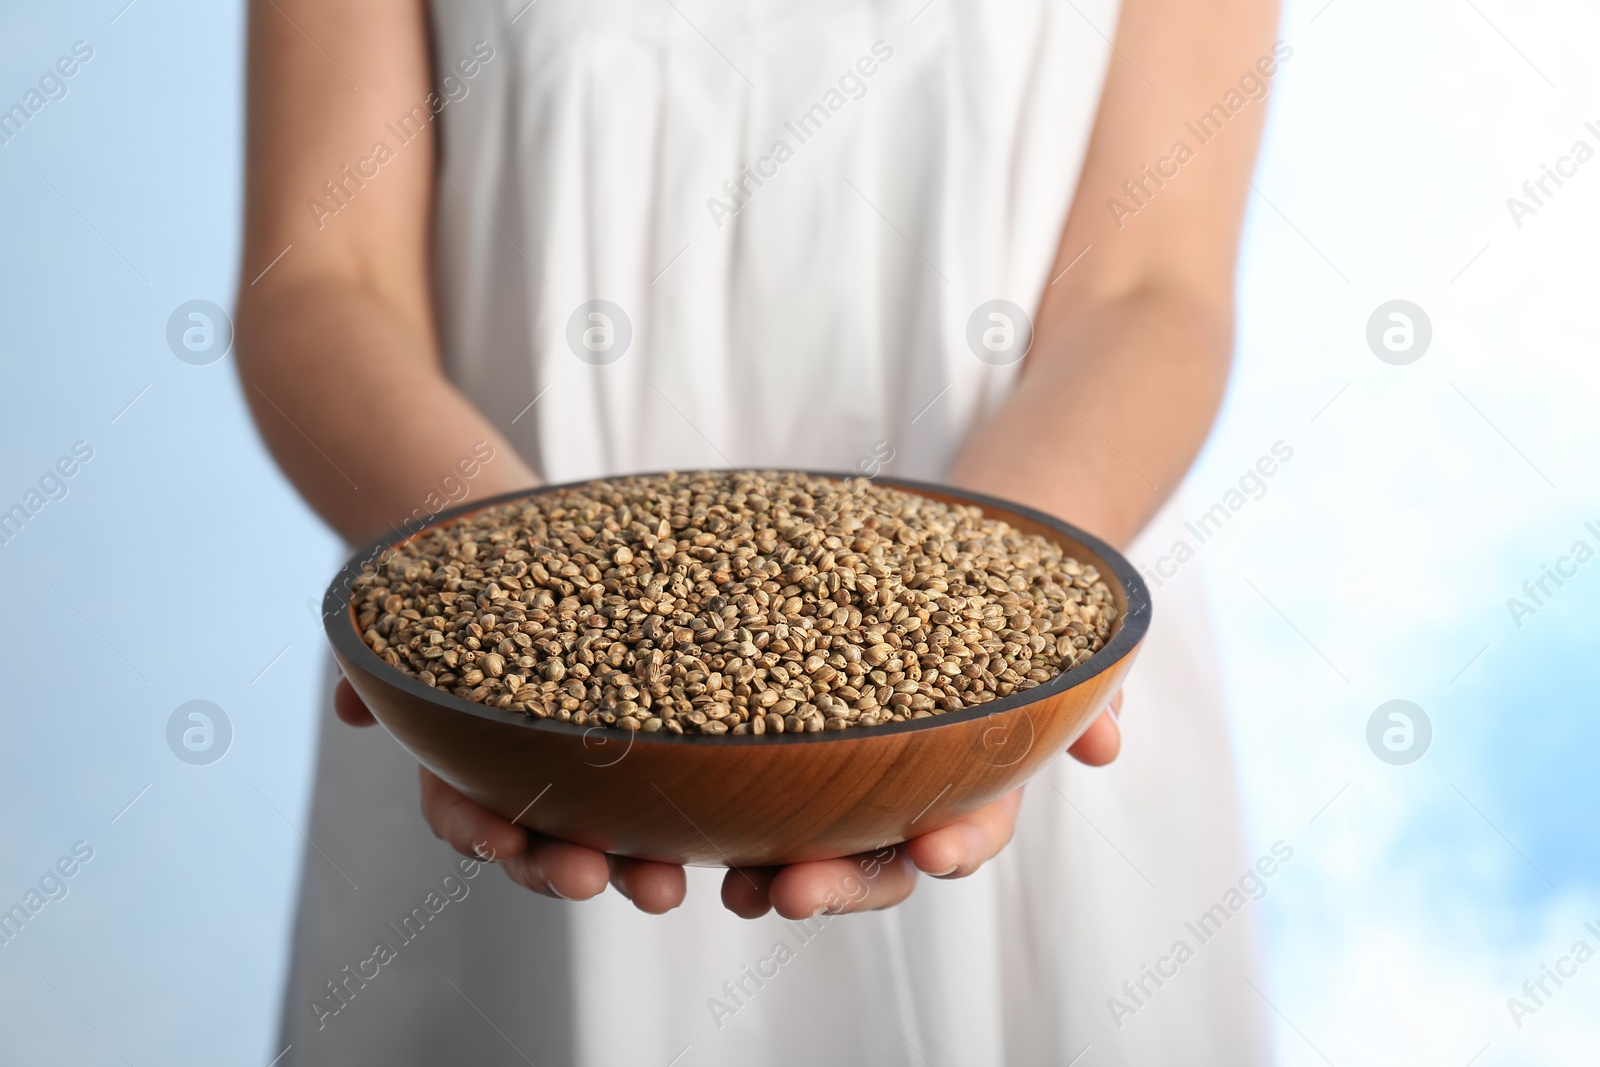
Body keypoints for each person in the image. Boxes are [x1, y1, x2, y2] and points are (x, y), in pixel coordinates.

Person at [238, 0, 1278, 1062]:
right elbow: (324, 283)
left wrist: (993, 617)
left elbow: (1147, 287)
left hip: (1030, 648)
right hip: (504, 711)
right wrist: (491, 585)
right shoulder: (509, 632)